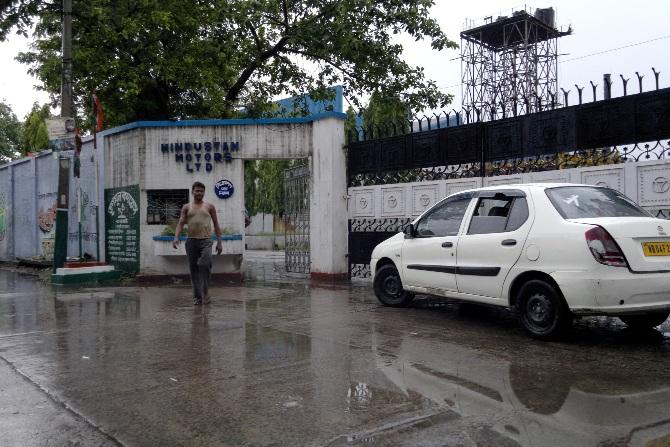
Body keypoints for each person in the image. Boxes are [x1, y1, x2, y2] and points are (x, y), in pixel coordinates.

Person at [173, 181, 223, 305]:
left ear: (204, 193)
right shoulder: (186, 207)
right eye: (197, 191)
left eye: (201, 191)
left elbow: (216, 225)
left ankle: (205, 292)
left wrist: (219, 242)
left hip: (206, 241)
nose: (199, 193)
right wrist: (176, 237)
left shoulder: (209, 207)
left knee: (204, 263)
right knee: (194, 270)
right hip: (191, 242)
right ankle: (198, 297)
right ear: (193, 192)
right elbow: (180, 223)